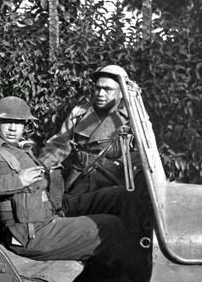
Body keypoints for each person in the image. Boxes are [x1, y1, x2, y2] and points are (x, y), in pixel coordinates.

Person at [0, 96, 142, 270]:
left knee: (119, 195)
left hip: (50, 210)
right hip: (31, 233)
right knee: (109, 227)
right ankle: (128, 279)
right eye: (8, 122)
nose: (14, 128)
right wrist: (18, 180)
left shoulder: (16, 147)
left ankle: (139, 249)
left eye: (19, 122)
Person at [40, 65, 134, 195]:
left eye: (108, 89)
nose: (100, 94)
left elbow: (143, 156)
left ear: (122, 92)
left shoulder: (133, 118)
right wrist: (41, 169)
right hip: (80, 179)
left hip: (115, 182)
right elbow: (59, 145)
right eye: (98, 88)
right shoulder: (80, 113)